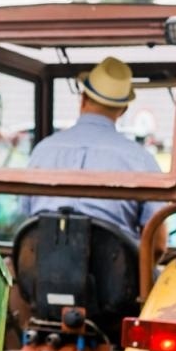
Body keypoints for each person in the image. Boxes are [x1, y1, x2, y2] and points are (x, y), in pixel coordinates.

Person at [18, 56, 161, 240]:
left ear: (83, 98)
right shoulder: (142, 160)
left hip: (39, 267)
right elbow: (157, 244)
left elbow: (25, 218)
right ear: (124, 109)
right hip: (117, 267)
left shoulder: (42, 151)